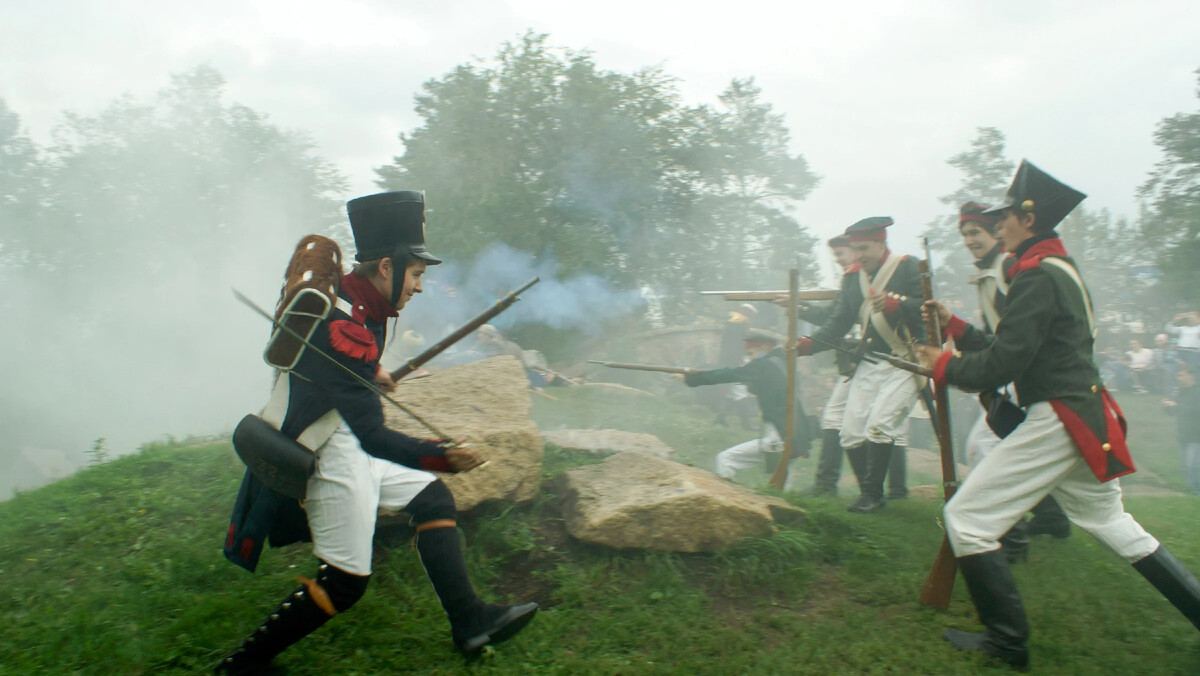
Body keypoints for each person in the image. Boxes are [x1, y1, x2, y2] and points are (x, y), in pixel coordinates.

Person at [216, 191, 538, 674]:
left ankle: (470, 622)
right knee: (346, 580)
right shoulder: (345, 325)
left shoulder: (355, 298)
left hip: (342, 433)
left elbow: (343, 366)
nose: (420, 287)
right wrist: (441, 456)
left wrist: (369, 374)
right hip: (327, 448)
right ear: (387, 267)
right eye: (417, 274)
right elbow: (373, 436)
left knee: (432, 501)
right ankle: (241, 666)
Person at [914, 160, 1200, 670]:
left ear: (1029, 219)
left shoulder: (1037, 276)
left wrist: (944, 367)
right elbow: (1011, 345)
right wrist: (954, 328)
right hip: (1080, 412)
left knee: (968, 519)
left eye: (1004, 218)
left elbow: (1003, 362)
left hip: (1059, 416)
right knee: (1113, 523)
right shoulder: (1052, 269)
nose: (998, 226)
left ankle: (1008, 644)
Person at [957, 202, 1070, 557]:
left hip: (1020, 373)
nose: (970, 240)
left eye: (976, 232)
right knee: (1002, 443)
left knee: (984, 447)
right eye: (965, 235)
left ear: (995, 232)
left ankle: (1012, 538)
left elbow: (1017, 334)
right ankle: (1051, 515)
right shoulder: (991, 270)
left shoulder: (1008, 268)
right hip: (1011, 371)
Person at [796, 217, 924, 513]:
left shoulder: (907, 267)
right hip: (870, 361)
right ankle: (871, 493)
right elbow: (838, 321)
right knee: (851, 433)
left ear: (881, 243)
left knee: (879, 426)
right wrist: (809, 345)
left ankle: (872, 495)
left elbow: (927, 310)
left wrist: (897, 305)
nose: (859, 255)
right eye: (855, 249)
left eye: (864, 248)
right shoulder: (853, 278)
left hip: (906, 360)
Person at [684, 332, 813, 490]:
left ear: (765, 347)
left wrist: (691, 378)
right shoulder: (783, 362)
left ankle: (727, 498)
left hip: (778, 435)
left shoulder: (764, 364)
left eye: (751, 353)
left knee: (725, 460)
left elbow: (730, 374)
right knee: (782, 488)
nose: (750, 358)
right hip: (797, 435)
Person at [1163, 365, 1200, 495]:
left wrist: (1177, 405)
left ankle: (1196, 491)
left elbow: (1195, 410)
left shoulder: (1197, 391)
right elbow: (1173, 412)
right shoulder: (1181, 392)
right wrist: (1167, 406)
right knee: (1184, 467)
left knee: (1192, 466)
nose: (1179, 378)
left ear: (1191, 375)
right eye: (1178, 375)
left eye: (1181, 375)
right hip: (1182, 435)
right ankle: (1191, 490)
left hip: (1195, 436)